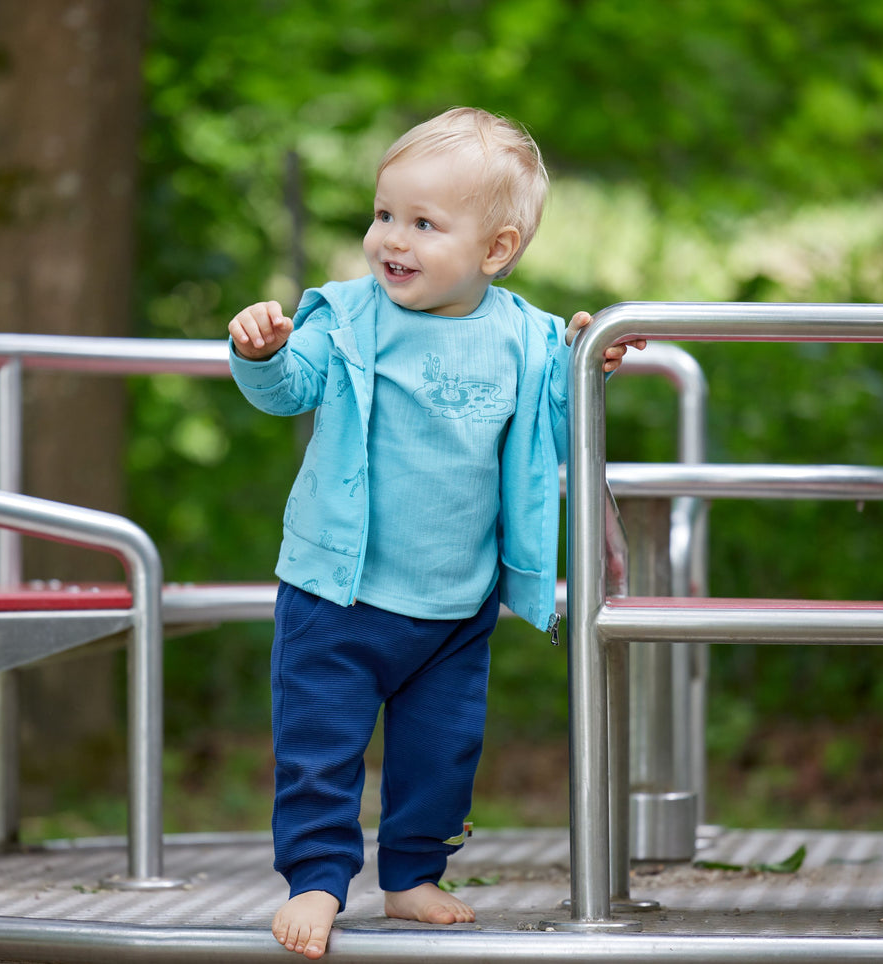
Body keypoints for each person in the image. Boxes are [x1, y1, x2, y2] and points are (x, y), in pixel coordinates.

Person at [227, 107, 643, 959]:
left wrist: (586, 366)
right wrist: (263, 354)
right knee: (318, 749)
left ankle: (411, 874)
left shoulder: (526, 339)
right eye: (384, 215)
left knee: (441, 753)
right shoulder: (346, 317)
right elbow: (289, 390)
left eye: (423, 223)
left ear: (494, 250)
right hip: (334, 594)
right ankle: (316, 880)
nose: (392, 240)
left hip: (455, 601)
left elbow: (558, 422)